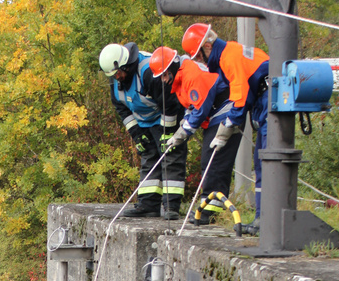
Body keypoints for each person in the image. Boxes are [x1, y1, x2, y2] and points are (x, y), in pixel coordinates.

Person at [181, 23, 269, 229]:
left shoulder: (230, 57)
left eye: (198, 56)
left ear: (208, 46)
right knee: (262, 160)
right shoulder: (226, 57)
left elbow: (239, 99)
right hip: (264, 100)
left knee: (266, 160)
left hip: (268, 98)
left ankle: (265, 221)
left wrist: (227, 126)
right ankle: (262, 219)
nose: (198, 61)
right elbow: (221, 93)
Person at [150, 46, 238, 224]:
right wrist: (182, 129)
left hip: (226, 113)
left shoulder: (191, 74)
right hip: (213, 116)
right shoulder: (180, 81)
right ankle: (209, 208)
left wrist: (182, 133)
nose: (164, 80)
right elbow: (191, 108)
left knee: (213, 161)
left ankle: (210, 212)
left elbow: (200, 109)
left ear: (173, 66)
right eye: (162, 77)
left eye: (165, 75)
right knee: (209, 160)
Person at [99, 41, 187, 220]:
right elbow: (121, 109)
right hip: (144, 123)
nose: (117, 78)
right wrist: (137, 135)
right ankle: (148, 205)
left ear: (125, 65)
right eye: (114, 75)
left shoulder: (148, 72)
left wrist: (167, 133)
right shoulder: (115, 80)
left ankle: (171, 206)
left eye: (118, 73)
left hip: (166, 116)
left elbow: (169, 103)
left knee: (170, 155)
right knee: (149, 157)